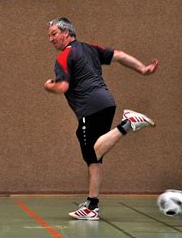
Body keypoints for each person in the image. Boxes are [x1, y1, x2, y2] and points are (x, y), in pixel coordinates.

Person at [44, 17, 159, 220]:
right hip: (106, 103)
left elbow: (62, 87)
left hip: (91, 107)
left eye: (54, 34)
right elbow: (120, 55)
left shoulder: (64, 56)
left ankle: (128, 123)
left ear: (67, 33)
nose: (51, 39)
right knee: (95, 158)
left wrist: (48, 85)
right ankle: (92, 205)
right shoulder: (90, 48)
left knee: (93, 153)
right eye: (49, 35)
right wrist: (142, 69)